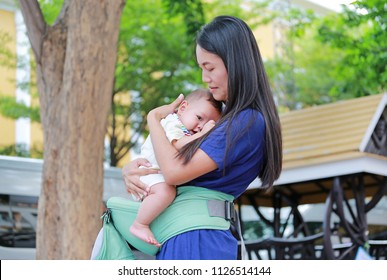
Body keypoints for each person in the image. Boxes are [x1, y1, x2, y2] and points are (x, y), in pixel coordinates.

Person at [122, 15, 282, 260]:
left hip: (196, 239)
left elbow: (175, 172)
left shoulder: (245, 121)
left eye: (210, 68)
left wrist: (154, 119)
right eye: (202, 69)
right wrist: (137, 172)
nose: (205, 79)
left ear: (235, 63)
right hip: (188, 235)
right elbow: (170, 166)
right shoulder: (232, 120)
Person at [130, 88, 222, 247]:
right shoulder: (174, 123)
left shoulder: (185, 129)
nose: (200, 126)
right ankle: (140, 224)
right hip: (150, 171)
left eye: (206, 124)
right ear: (183, 107)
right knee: (167, 191)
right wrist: (203, 134)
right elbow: (178, 145)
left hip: (155, 173)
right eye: (199, 118)